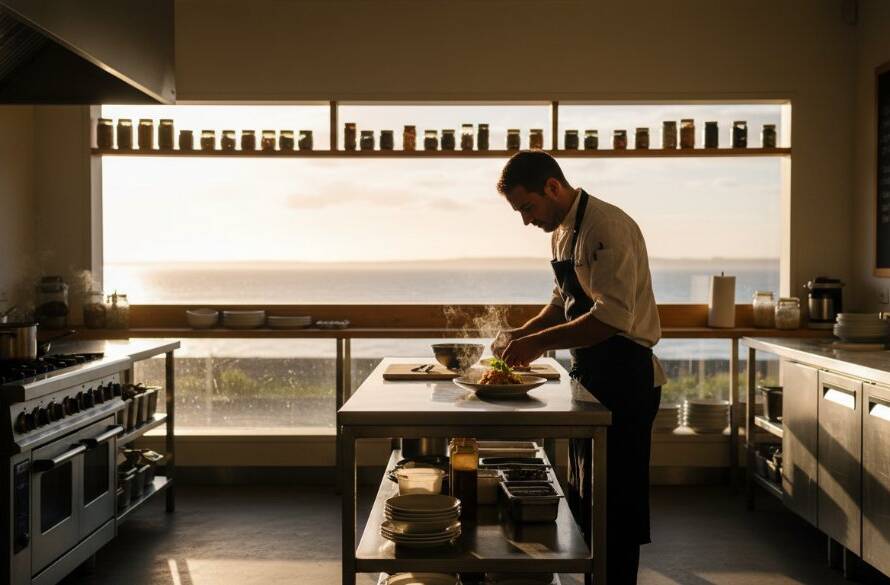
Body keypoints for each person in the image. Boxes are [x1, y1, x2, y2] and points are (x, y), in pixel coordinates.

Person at [492, 150, 665, 585]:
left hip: (625, 377)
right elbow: (563, 302)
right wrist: (520, 334)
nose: (527, 220)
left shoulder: (607, 226)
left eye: (527, 207)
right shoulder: (560, 232)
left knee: (617, 506)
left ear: (553, 187)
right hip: (589, 375)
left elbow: (611, 318)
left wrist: (534, 346)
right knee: (588, 497)